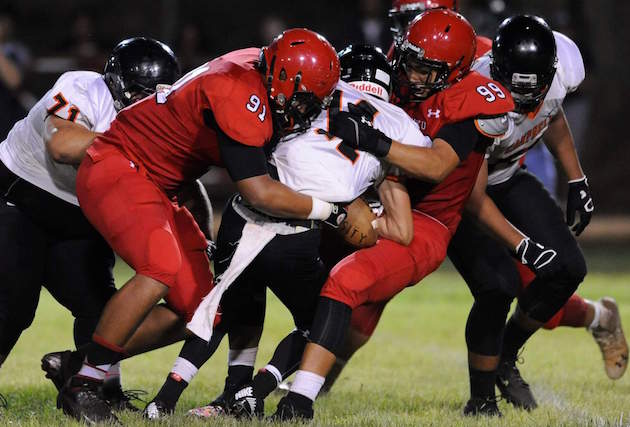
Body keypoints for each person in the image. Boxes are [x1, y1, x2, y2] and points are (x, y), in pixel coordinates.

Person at [53, 28, 344, 424]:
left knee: (206, 311)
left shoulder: (258, 67)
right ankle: (84, 384)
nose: (307, 109)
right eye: (305, 98)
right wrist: (333, 211)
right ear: (279, 80)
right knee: (158, 269)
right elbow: (258, 192)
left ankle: (78, 362)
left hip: (160, 184)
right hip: (120, 165)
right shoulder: (240, 92)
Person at [271, 10, 537, 420]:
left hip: (425, 222)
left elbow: (435, 166)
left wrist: (372, 139)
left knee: (347, 284)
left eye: (423, 69)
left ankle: (299, 400)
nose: (410, 76)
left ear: (454, 71)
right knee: (286, 275)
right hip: (366, 197)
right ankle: (253, 385)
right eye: (408, 63)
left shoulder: (471, 100)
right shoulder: (395, 78)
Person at [142, 43, 430, 420]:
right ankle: (248, 392)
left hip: (247, 210)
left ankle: (178, 399)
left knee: (225, 307)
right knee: (322, 322)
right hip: (298, 231)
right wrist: (360, 208)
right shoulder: (400, 123)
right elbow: (405, 216)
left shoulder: (314, 96)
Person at [446, 15, 627, 414]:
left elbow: (552, 115)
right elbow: (473, 198)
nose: (527, 100)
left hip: (508, 175)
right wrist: (522, 245)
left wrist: (577, 180)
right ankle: (480, 402)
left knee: (567, 269)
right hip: (459, 190)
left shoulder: (559, 70)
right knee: (498, 286)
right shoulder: (478, 95)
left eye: (537, 89)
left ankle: (505, 356)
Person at [0, 37, 180, 409]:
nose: (149, 106)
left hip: (79, 213)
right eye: (140, 95)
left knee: (102, 308)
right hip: (21, 197)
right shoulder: (82, 87)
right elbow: (62, 146)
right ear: (116, 84)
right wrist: (134, 144)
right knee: (12, 302)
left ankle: (93, 388)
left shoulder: (159, 118)